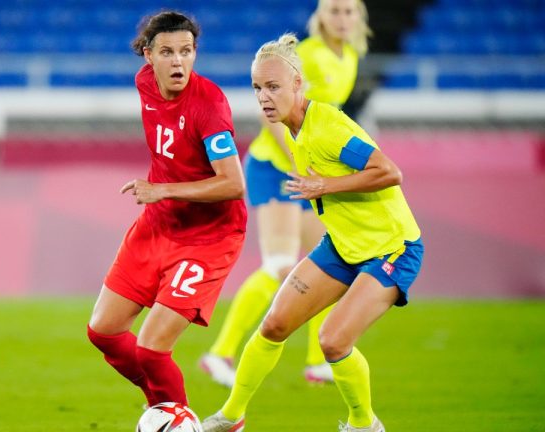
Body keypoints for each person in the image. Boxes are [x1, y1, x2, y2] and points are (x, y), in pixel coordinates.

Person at [202, 33, 423, 432]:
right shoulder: (294, 127)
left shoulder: (328, 128)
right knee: (274, 325)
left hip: (392, 249)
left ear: (297, 85)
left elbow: (389, 172)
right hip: (342, 246)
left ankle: (364, 424)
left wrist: (325, 186)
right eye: (257, 88)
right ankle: (231, 417)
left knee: (333, 341)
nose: (264, 97)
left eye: (273, 87)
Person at [200, 0, 372, 387]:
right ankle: (221, 352)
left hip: (306, 171)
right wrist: (297, 158)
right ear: (321, 16)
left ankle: (317, 360)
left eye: (349, 12)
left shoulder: (349, 57)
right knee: (279, 265)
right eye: (335, 11)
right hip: (277, 168)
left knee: (329, 266)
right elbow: (269, 109)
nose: (342, 19)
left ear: (359, 18)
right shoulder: (307, 56)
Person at [86, 11, 247, 409]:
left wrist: (163, 190)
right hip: (158, 226)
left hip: (207, 238)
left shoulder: (209, 105)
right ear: (147, 55)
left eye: (187, 51)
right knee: (103, 332)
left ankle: (176, 416)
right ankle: (163, 406)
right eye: (168, 52)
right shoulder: (145, 84)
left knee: (152, 350)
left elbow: (233, 184)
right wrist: (162, 197)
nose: (178, 62)